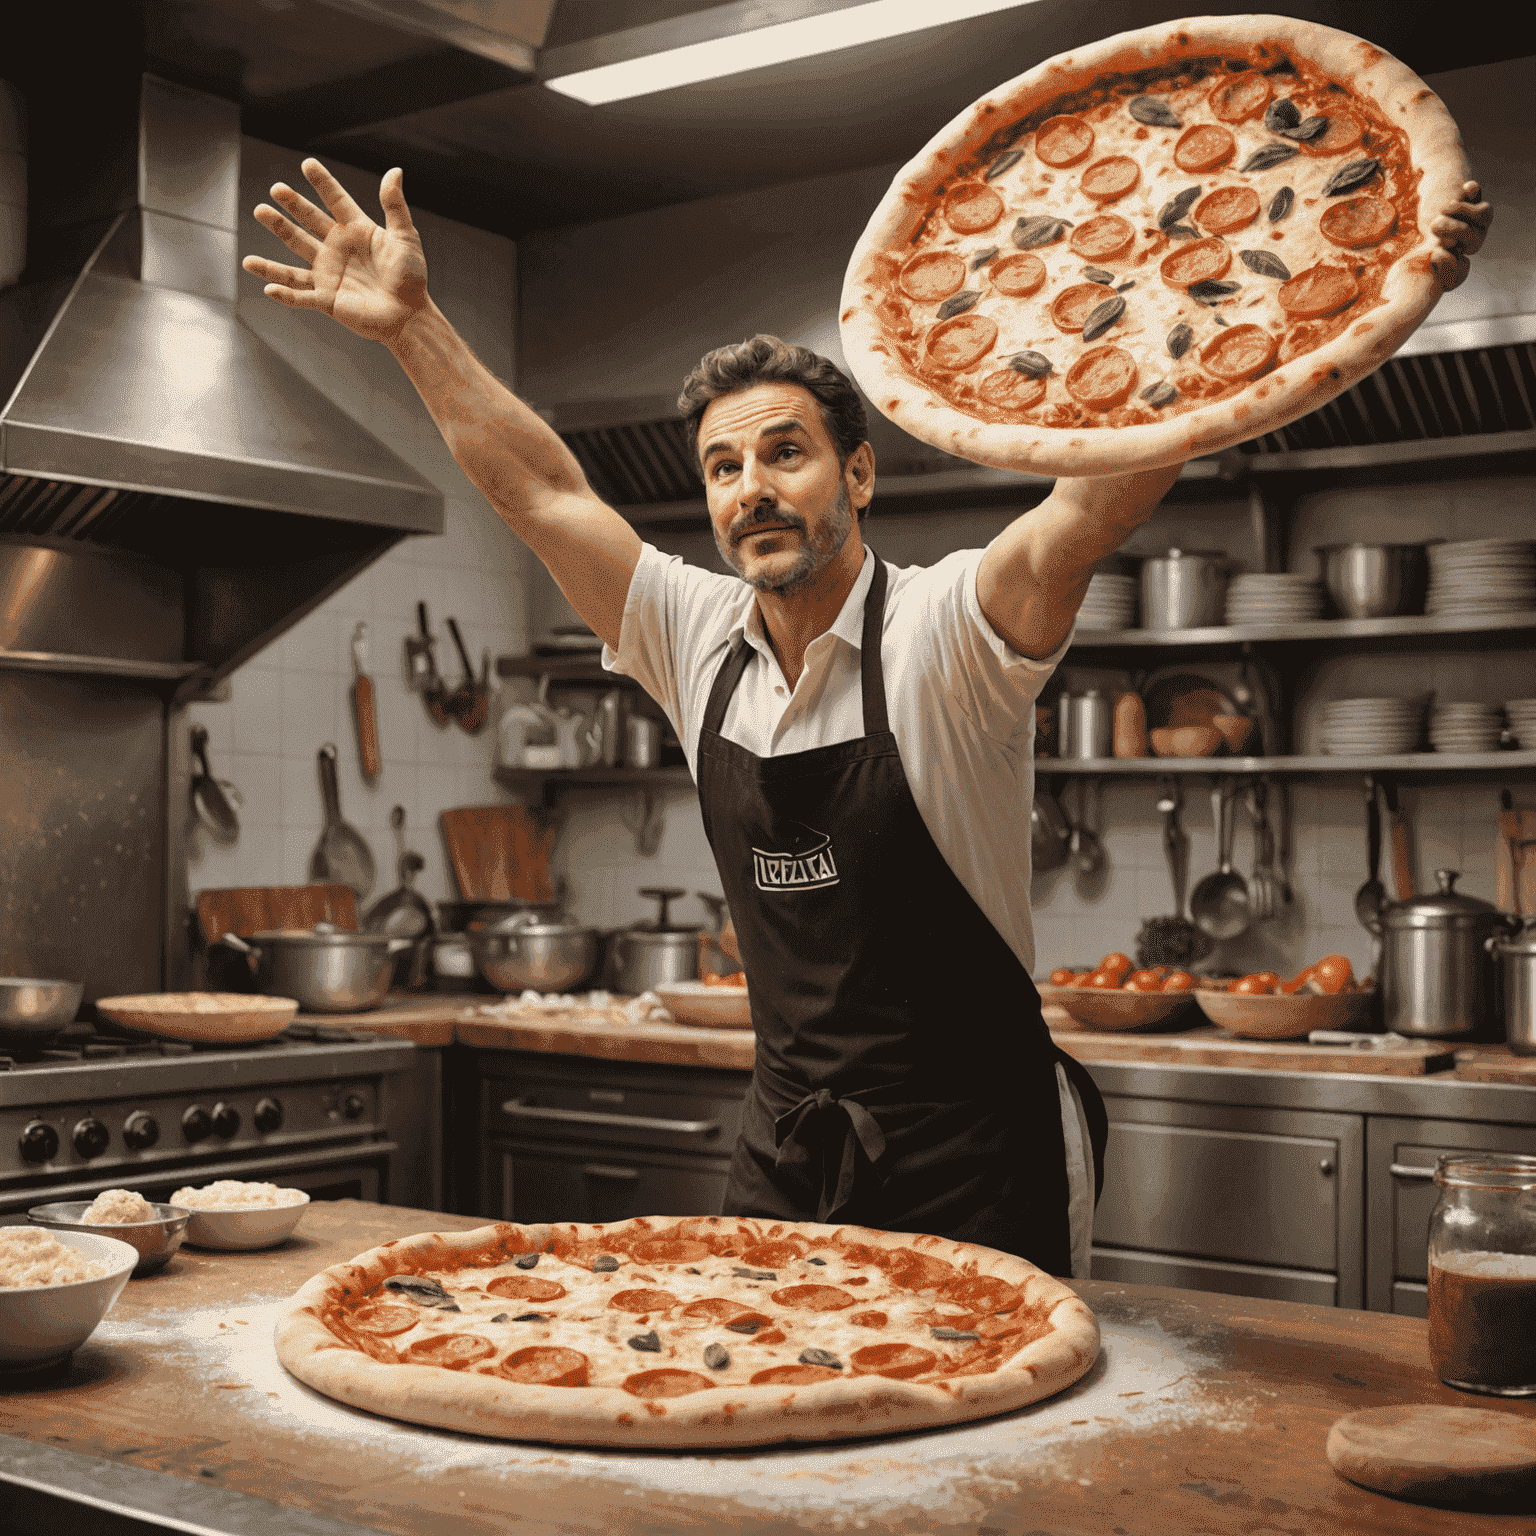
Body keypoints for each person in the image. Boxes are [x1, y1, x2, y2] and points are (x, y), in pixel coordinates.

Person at [244, 160, 1491, 1276]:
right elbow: (543, 489)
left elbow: (1089, 505)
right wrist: (412, 327)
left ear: (859, 473)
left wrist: (1350, 284)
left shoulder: (952, 629)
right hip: (789, 1147)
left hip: (979, 1150)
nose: (750, 492)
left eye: (782, 453)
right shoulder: (692, 638)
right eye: (723, 470)